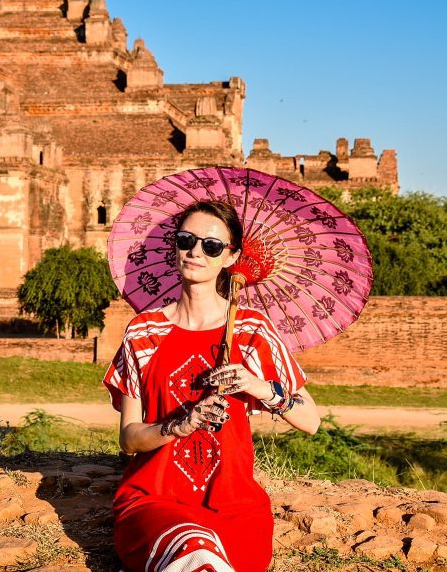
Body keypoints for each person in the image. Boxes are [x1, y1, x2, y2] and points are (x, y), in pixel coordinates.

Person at [103, 200, 321, 572]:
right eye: (186, 239)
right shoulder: (144, 332)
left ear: (230, 257)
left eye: (211, 246)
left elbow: (310, 420)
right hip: (155, 499)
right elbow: (128, 439)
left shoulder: (251, 330)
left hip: (235, 504)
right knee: (195, 553)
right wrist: (179, 425)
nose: (195, 252)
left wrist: (259, 387)